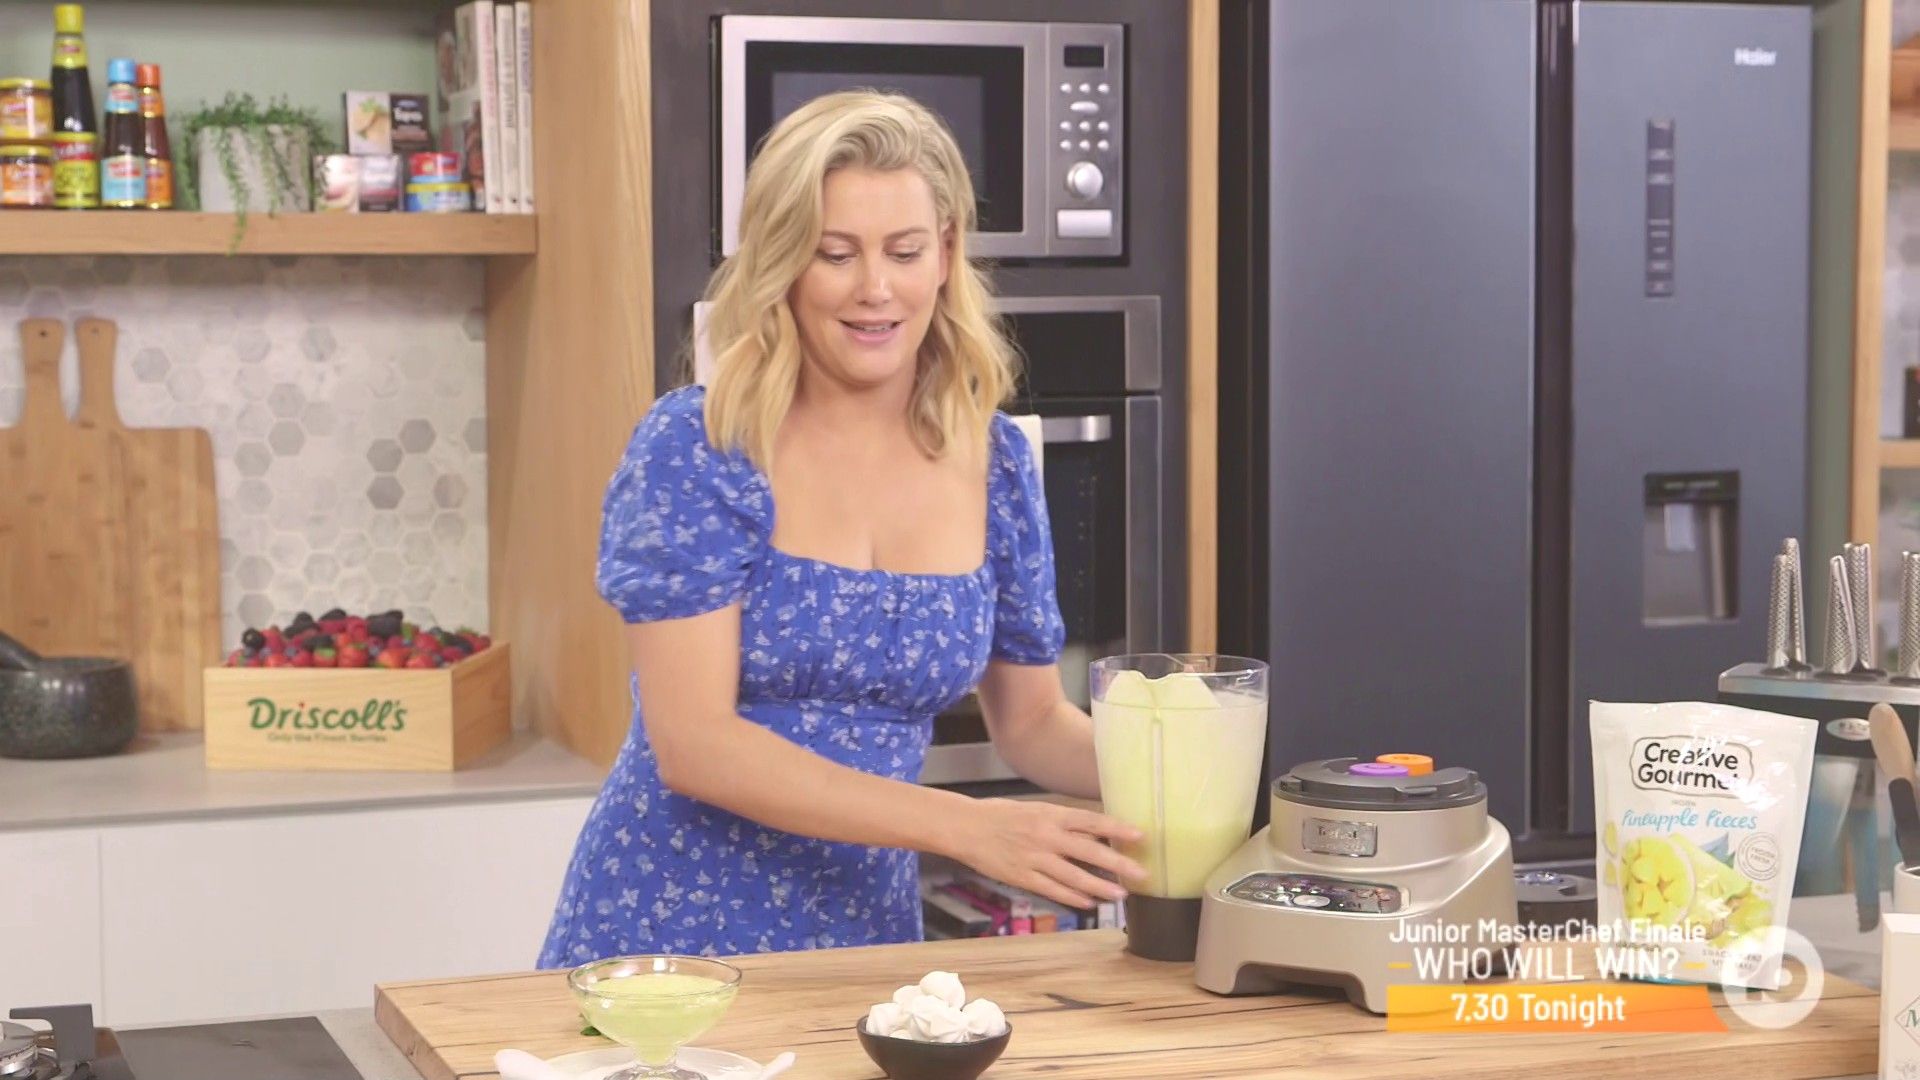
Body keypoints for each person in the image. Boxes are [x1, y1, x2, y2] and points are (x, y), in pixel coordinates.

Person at [537, 90, 1144, 966]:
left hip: (864, 939)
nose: (875, 289)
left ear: (946, 254)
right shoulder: (702, 446)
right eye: (835, 254)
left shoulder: (997, 463)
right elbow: (696, 746)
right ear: (783, 263)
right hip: (664, 935)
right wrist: (967, 827)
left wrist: (1199, 782)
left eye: (905, 251)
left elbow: (1034, 721)